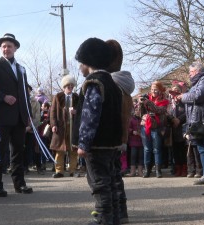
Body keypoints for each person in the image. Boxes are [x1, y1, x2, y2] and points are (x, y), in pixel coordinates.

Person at [72, 37, 122, 225]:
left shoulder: (94, 82)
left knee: (99, 183)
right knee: (110, 181)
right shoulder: (112, 83)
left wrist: (84, 143)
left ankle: (103, 217)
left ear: (89, 62)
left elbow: (90, 115)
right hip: (111, 142)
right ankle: (114, 216)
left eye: (81, 63)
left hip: (97, 144)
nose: (80, 67)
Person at [0, 33, 33, 196]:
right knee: (0, 152)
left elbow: (24, 93)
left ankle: (19, 184)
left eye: (9, 46)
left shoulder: (21, 69)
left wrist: (28, 113)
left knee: (18, 152)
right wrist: (3, 97)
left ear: (15, 48)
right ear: (1, 48)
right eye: (4, 46)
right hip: (2, 116)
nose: (6, 49)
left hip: (20, 117)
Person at [105, 39, 134, 224]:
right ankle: (121, 210)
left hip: (111, 136)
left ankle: (115, 211)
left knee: (110, 175)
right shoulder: (125, 84)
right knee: (115, 174)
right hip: (120, 135)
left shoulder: (112, 84)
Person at [50, 72, 79, 178]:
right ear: (64, 87)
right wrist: (53, 124)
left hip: (72, 127)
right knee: (59, 150)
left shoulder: (76, 97)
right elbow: (52, 112)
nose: (70, 88)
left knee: (73, 150)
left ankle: (73, 170)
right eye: (68, 86)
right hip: (60, 127)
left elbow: (81, 111)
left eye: (72, 86)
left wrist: (75, 112)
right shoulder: (57, 97)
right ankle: (59, 171)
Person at [139, 81, 169, 178]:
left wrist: (150, 103)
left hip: (157, 127)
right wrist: (140, 104)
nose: (153, 91)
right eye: (152, 89)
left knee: (157, 149)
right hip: (146, 126)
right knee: (147, 149)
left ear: (160, 90)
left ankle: (158, 170)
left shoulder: (164, 100)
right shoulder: (146, 99)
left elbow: (159, 110)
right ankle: (147, 170)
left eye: (155, 89)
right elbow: (139, 114)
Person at [168, 82, 187, 177]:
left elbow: (187, 112)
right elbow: (167, 113)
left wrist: (179, 119)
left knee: (182, 150)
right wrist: (172, 119)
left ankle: (184, 168)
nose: (175, 92)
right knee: (175, 150)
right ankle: (177, 168)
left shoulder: (183, 101)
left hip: (182, 127)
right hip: (173, 129)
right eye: (174, 90)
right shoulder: (170, 102)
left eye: (177, 90)